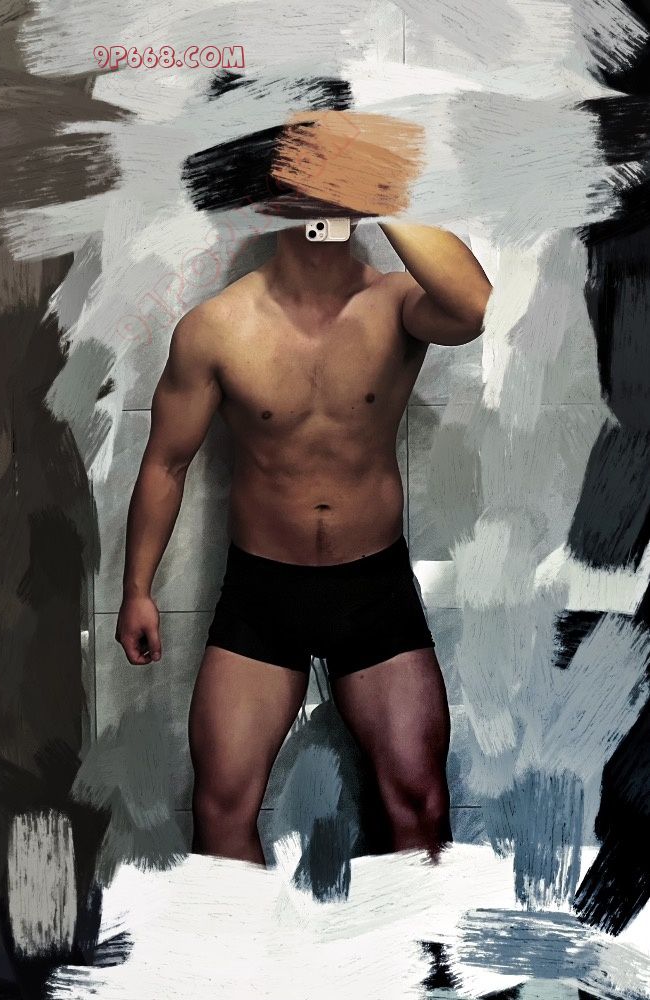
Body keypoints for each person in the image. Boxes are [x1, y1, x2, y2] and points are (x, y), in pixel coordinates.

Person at [115, 218, 492, 864]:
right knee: (220, 809)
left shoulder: (396, 304)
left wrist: (378, 195)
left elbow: (474, 307)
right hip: (262, 593)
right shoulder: (217, 326)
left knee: (421, 805)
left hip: (373, 590)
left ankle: (412, 938)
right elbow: (165, 465)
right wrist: (137, 588)